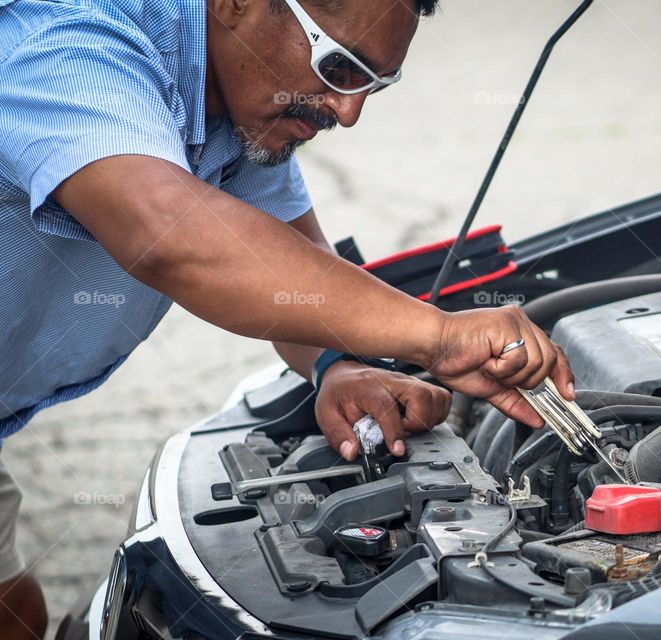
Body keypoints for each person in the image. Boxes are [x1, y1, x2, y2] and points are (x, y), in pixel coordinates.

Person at [0, 0, 574, 636]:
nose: (349, 111)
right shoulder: (63, 41)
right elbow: (168, 233)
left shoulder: (240, 102)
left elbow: (291, 270)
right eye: (340, 67)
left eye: (373, 83)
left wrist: (336, 365)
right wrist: (439, 337)